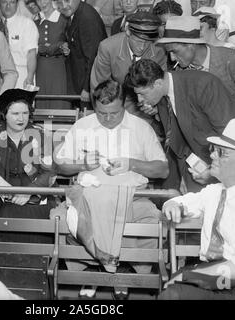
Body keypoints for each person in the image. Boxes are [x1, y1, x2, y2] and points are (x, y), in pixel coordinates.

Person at [54, 79, 169, 298]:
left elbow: (162, 170)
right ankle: (95, 271)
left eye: (114, 113)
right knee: (59, 217)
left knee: (154, 220)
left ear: (124, 104)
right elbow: (60, 164)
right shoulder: (83, 126)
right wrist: (83, 164)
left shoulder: (141, 127)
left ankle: (119, 271)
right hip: (87, 199)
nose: (107, 119)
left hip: (133, 198)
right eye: (101, 113)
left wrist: (131, 163)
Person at [160, 118, 235, 300]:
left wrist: (192, 276)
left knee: (174, 293)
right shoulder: (214, 192)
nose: (212, 156)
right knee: (173, 286)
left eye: (222, 153)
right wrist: (173, 204)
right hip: (213, 275)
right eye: (214, 150)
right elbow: (184, 202)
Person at [124, 59, 235, 193]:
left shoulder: (204, 85)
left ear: (158, 83)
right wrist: (183, 177)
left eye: (142, 94)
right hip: (195, 168)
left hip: (229, 168)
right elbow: (179, 142)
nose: (139, 100)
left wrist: (214, 170)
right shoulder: (161, 95)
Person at [0, 88, 56, 243]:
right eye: (15, 114)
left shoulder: (42, 136)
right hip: (1, 201)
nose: (21, 118)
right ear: (4, 115)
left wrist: (29, 192)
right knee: (4, 215)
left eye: (25, 113)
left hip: (36, 200)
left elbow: (51, 172)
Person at [157, 16, 235, 113]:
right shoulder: (179, 72)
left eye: (174, 51)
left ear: (190, 44)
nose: (172, 58)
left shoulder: (233, 60)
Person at [90, 11, 166, 114]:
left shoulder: (159, 51)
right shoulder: (108, 47)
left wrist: (157, 109)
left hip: (146, 109)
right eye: (138, 41)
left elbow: (162, 88)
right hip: (115, 104)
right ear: (128, 32)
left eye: (147, 42)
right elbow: (99, 87)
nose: (142, 47)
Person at [55, 0, 107, 109]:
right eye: (60, 2)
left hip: (88, 87)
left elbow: (93, 56)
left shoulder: (87, 18)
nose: (64, 6)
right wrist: (65, 44)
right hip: (78, 82)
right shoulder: (75, 12)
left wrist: (87, 89)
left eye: (67, 1)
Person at [35, 0, 70, 109]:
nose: (42, 3)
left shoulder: (64, 19)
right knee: (41, 101)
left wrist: (64, 47)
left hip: (57, 66)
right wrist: (56, 46)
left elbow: (71, 44)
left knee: (57, 101)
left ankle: (58, 126)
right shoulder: (35, 19)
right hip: (40, 67)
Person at [0, 0, 38, 89]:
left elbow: (31, 53)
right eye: (4, 2)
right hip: (0, 78)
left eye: (12, 2)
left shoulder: (27, 24)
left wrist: (30, 76)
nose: (8, 6)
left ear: (17, 4)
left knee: (20, 103)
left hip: (22, 76)